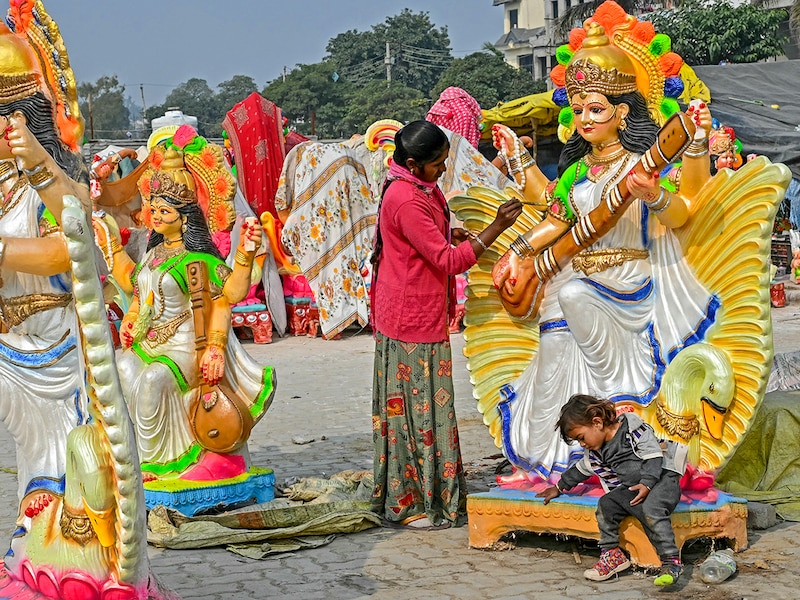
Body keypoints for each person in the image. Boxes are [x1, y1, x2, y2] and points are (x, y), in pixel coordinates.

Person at [490, 11, 716, 484]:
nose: (585, 118)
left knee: (571, 296)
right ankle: (545, 460)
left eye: (596, 108)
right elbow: (555, 222)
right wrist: (516, 251)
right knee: (552, 334)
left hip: (629, 282)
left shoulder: (645, 162)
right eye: (579, 108)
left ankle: (619, 422)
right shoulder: (576, 172)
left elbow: (683, 214)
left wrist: (655, 194)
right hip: (577, 273)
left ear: (622, 111)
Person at [94, 125, 275, 480]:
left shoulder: (198, 259)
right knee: (122, 368)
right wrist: (131, 317)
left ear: (185, 216)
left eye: (166, 212)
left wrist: (245, 254)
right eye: (154, 210)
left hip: (187, 348)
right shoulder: (153, 255)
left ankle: (162, 465)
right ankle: (144, 453)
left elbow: (229, 296)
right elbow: (137, 289)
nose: (157, 217)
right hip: (152, 342)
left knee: (153, 381)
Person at [370, 120, 523, 529]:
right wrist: (496, 228)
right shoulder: (406, 197)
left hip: (416, 308)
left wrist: (449, 231)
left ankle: (426, 491)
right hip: (410, 316)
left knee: (420, 406)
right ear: (414, 163)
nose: (442, 170)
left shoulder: (418, 186)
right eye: (437, 164)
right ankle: (412, 501)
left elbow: (423, 240)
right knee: (417, 409)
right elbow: (448, 262)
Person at [537, 394, 688, 586]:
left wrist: (648, 484)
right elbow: (582, 469)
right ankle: (612, 554)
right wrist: (558, 487)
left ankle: (671, 561)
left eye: (581, 438)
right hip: (633, 489)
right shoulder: (597, 452)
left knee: (651, 509)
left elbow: (654, 456)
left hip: (661, 481)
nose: (582, 444)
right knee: (606, 503)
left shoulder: (633, 430)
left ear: (597, 422)